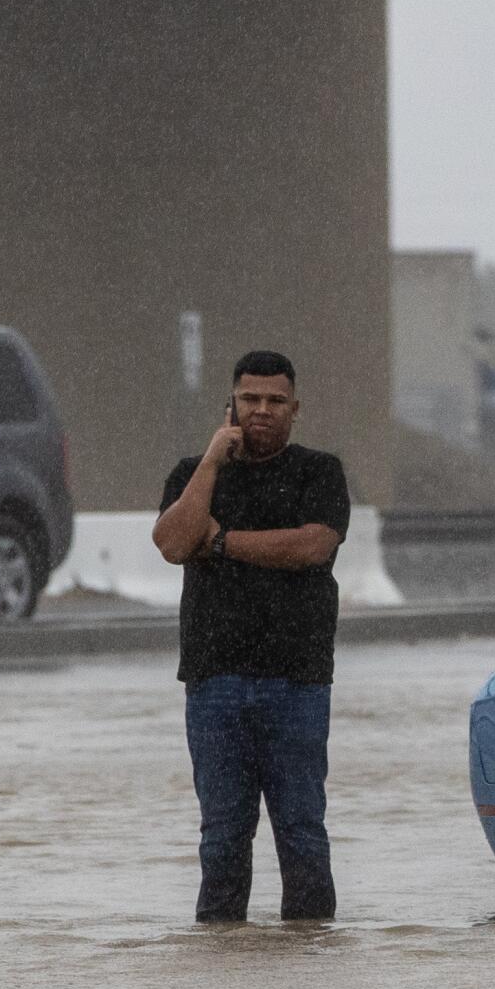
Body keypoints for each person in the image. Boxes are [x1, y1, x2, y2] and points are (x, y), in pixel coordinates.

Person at [152, 349, 351, 922]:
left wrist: (221, 543)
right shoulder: (194, 473)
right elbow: (170, 544)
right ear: (231, 404)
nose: (262, 410)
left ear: (295, 408)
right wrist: (212, 461)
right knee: (222, 842)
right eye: (250, 399)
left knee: (302, 836)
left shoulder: (320, 472)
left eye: (275, 401)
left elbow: (312, 546)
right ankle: (222, 965)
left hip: (298, 681)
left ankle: (311, 957)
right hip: (214, 684)